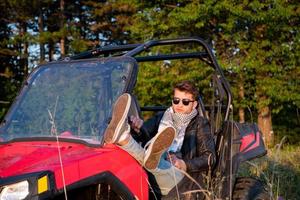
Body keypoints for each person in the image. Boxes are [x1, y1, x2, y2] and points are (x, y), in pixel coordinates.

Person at [104, 80, 216, 199]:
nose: (180, 105)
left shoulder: (200, 123)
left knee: (151, 159)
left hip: (181, 177)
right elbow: (144, 135)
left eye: (185, 102)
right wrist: (138, 127)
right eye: (176, 100)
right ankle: (130, 139)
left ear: (194, 104)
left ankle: (124, 139)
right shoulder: (162, 117)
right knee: (151, 158)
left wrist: (184, 164)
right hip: (154, 171)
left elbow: (210, 157)